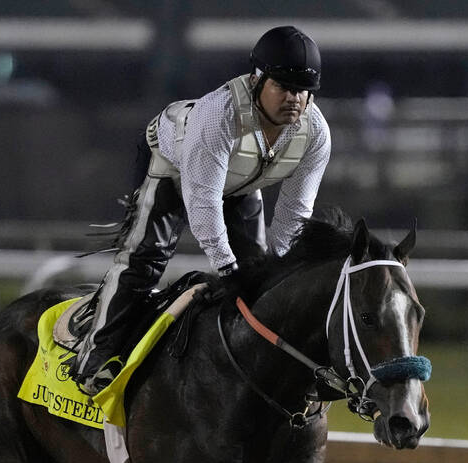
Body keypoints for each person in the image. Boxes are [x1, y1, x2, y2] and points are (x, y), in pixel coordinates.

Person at [75, 24, 331, 395]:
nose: (294, 98)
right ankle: (95, 358)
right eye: (283, 86)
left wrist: (276, 271)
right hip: (172, 166)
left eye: (303, 90)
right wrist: (226, 267)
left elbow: (294, 213)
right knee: (145, 259)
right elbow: (203, 201)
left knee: (258, 273)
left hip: (236, 183)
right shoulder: (219, 114)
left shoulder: (317, 134)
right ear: (257, 80)